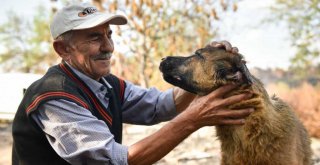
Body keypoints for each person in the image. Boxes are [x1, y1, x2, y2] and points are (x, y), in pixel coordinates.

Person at [12, 2, 253, 165]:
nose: (108, 47)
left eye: (108, 35)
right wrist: (193, 119)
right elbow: (116, 160)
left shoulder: (105, 84)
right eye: (95, 38)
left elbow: (159, 106)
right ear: (63, 49)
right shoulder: (54, 97)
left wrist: (203, 68)